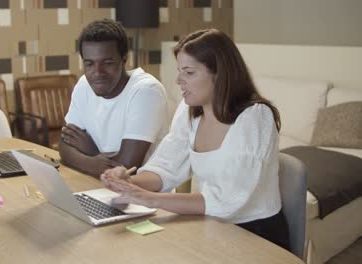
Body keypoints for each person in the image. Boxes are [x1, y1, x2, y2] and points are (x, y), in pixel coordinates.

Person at [101, 29, 290, 251]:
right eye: (180, 71)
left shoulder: (256, 117)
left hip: (255, 235)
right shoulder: (190, 110)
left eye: (189, 72)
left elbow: (228, 199)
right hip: (212, 224)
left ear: (219, 74)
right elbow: (166, 168)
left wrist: (151, 199)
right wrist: (127, 183)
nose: (178, 80)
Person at [59, 19, 169, 177]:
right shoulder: (84, 85)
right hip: (99, 186)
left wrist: (91, 151)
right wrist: (93, 161)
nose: (97, 73)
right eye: (89, 64)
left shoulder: (146, 91)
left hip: (144, 195)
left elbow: (125, 169)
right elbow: (64, 146)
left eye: (107, 63)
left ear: (124, 59)